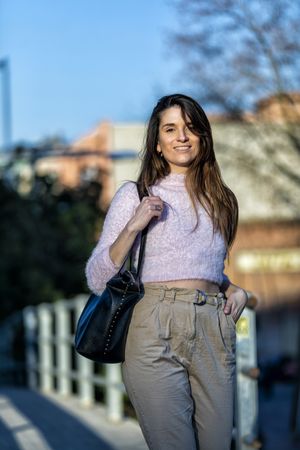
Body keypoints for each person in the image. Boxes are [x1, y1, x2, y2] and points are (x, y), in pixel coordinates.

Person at [85, 93, 248, 450]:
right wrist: (133, 226)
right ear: (157, 143)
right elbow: (97, 278)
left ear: (204, 137)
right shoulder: (135, 194)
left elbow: (201, 265)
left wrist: (233, 287)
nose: (182, 137)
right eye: (170, 129)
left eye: (191, 128)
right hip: (153, 326)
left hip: (212, 327)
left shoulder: (222, 200)